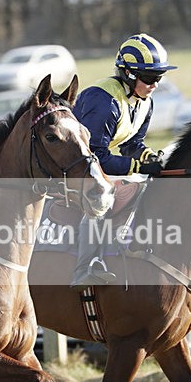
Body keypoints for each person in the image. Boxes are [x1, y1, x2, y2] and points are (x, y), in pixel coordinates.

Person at [69, 33, 177, 289]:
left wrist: (147, 156)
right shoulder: (103, 101)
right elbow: (96, 157)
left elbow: (131, 145)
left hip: (96, 162)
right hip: (73, 164)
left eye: (159, 77)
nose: (155, 85)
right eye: (150, 78)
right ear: (128, 74)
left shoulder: (145, 103)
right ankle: (84, 268)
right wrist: (139, 167)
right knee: (101, 198)